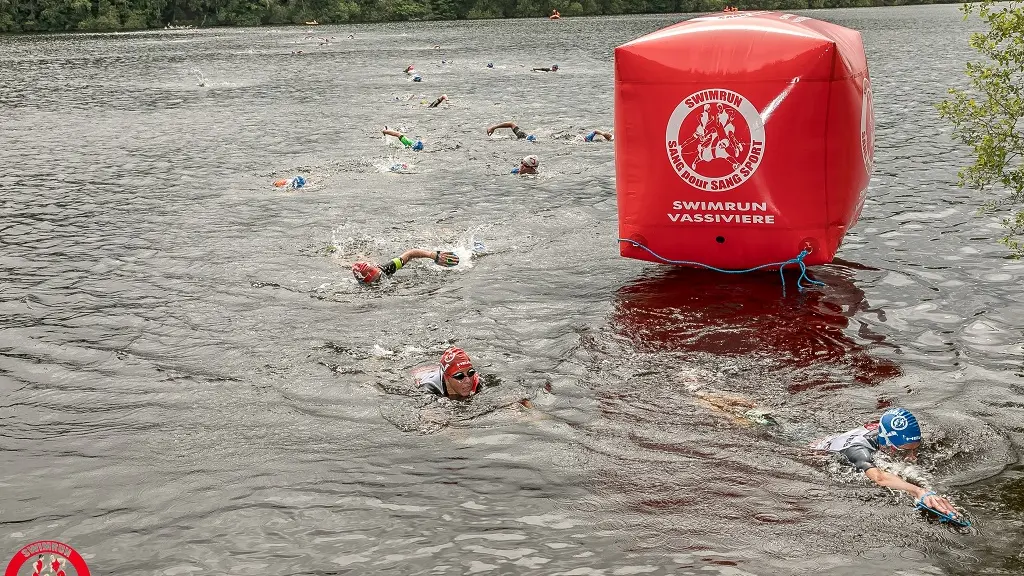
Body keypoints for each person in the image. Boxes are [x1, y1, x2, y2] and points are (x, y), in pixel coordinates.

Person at [812, 408, 962, 519]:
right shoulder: (858, 450)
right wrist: (918, 491)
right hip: (817, 450)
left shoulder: (889, 437)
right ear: (885, 444)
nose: (913, 457)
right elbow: (879, 478)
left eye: (916, 449)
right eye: (903, 452)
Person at [351, 248, 459, 284]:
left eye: (379, 274)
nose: (381, 277)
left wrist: (433, 255)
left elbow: (410, 254)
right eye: (376, 279)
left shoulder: (385, 269)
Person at [411, 347, 481, 399]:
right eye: (459, 376)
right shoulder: (430, 387)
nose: (468, 380)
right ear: (447, 377)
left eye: (470, 372)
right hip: (423, 373)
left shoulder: (476, 381)